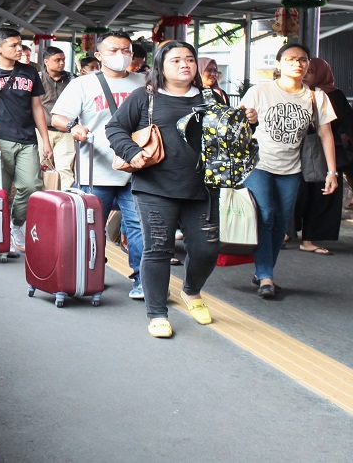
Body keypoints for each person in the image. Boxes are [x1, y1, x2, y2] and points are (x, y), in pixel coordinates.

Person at [106, 40, 217, 338]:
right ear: (160, 67)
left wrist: (245, 123)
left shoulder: (211, 98)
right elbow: (115, 128)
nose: (185, 64)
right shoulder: (144, 97)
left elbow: (225, 138)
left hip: (202, 187)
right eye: (176, 60)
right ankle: (157, 313)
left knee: (207, 249)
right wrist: (131, 152)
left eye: (190, 59)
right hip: (155, 186)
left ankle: (191, 291)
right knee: (158, 249)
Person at [51, 31, 146, 299]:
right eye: (114, 51)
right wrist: (74, 126)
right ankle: (91, 273)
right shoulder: (83, 84)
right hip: (96, 169)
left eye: (126, 50)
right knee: (91, 227)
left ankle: (141, 279)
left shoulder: (144, 82)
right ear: (99, 55)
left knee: (139, 226)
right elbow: (58, 117)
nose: (121, 55)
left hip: (136, 170)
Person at [241, 43, 338, 298]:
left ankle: (264, 270)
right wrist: (248, 118)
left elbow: (326, 134)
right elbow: (238, 124)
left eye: (303, 59)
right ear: (278, 63)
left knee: (281, 223)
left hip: (292, 168)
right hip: (258, 164)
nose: (298, 63)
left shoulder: (316, 96)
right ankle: (265, 276)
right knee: (266, 215)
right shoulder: (260, 91)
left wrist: (332, 172)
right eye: (291, 59)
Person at [0, 27, 53, 251]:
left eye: (20, 44)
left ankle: (15, 224)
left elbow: (37, 108)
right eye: (13, 45)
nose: (20, 49)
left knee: (32, 186)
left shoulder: (30, 72)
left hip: (27, 139)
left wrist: (45, 140)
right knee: (1, 191)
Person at [295, 57, 353, 254]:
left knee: (323, 194)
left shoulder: (332, 96)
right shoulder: (295, 94)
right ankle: (287, 232)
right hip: (299, 150)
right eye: (305, 71)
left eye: (311, 72)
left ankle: (312, 237)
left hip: (328, 151)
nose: (305, 75)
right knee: (295, 193)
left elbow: (343, 126)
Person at [39, 46, 75, 190]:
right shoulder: (37, 79)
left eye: (63, 60)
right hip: (41, 130)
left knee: (65, 169)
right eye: (57, 60)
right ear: (46, 62)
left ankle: (66, 202)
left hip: (66, 130)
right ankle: (41, 202)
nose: (62, 63)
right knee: (41, 168)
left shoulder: (73, 79)